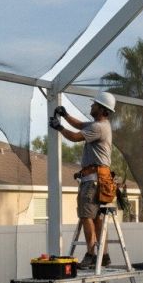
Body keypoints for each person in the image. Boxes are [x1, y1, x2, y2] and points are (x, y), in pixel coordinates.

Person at [49, 92, 115, 270]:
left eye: (94, 105)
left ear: (102, 109)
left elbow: (75, 136)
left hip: (93, 181)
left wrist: (59, 127)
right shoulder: (100, 125)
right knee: (97, 219)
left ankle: (91, 255)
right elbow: (79, 125)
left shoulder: (98, 128)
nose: (91, 106)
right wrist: (65, 115)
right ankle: (104, 255)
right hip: (98, 179)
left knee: (86, 216)